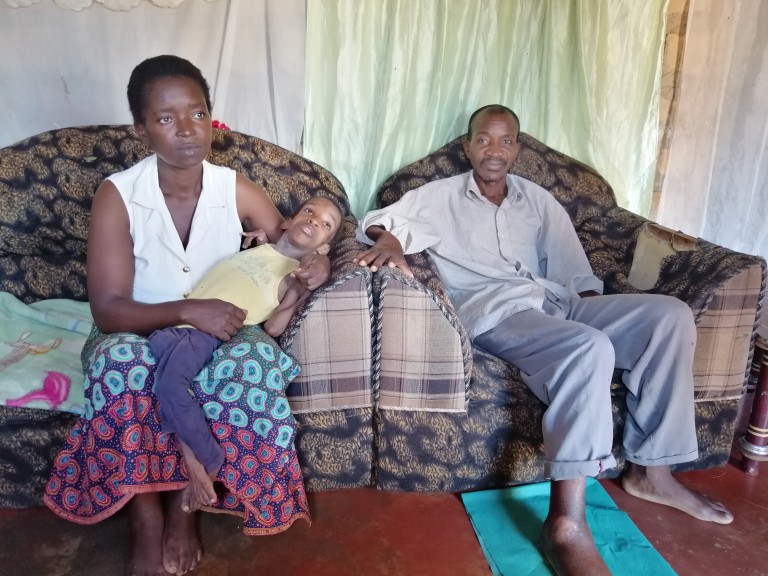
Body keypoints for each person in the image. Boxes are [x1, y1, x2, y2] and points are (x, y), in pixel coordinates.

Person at [354, 104, 733, 576]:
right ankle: (566, 524)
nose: (494, 151)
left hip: (555, 301)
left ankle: (652, 472)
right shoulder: (439, 195)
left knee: (669, 317)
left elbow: (572, 266)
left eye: (505, 141)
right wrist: (389, 241)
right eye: (483, 140)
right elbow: (378, 220)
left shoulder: (537, 199)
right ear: (468, 147)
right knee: (587, 348)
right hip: (497, 311)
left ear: (517, 148)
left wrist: (598, 313)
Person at [43, 55, 331, 576]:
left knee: (251, 367)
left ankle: (185, 507)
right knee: (123, 367)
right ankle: (145, 516)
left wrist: (321, 264)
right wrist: (188, 310)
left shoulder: (233, 187)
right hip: (138, 326)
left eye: (197, 114)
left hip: (224, 329)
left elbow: (295, 244)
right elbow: (108, 311)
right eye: (166, 118)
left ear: (210, 119)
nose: (186, 130)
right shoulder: (118, 195)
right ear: (142, 129)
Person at [147, 196, 342, 516]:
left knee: (170, 386)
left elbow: (275, 326)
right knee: (158, 365)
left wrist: (300, 292)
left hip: (205, 332)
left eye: (326, 224)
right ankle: (189, 451)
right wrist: (260, 244)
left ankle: (208, 459)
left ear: (323, 247)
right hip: (180, 321)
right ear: (286, 222)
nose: (314, 220)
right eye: (309, 212)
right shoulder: (260, 248)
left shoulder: (296, 276)